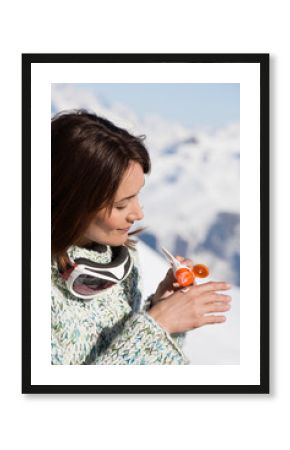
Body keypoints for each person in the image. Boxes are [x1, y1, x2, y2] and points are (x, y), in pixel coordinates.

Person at [51, 109, 232, 365]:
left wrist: (159, 310)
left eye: (137, 196)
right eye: (122, 205)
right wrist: (158, 325)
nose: (138, 213)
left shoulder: (116, 259)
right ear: (71, 202)